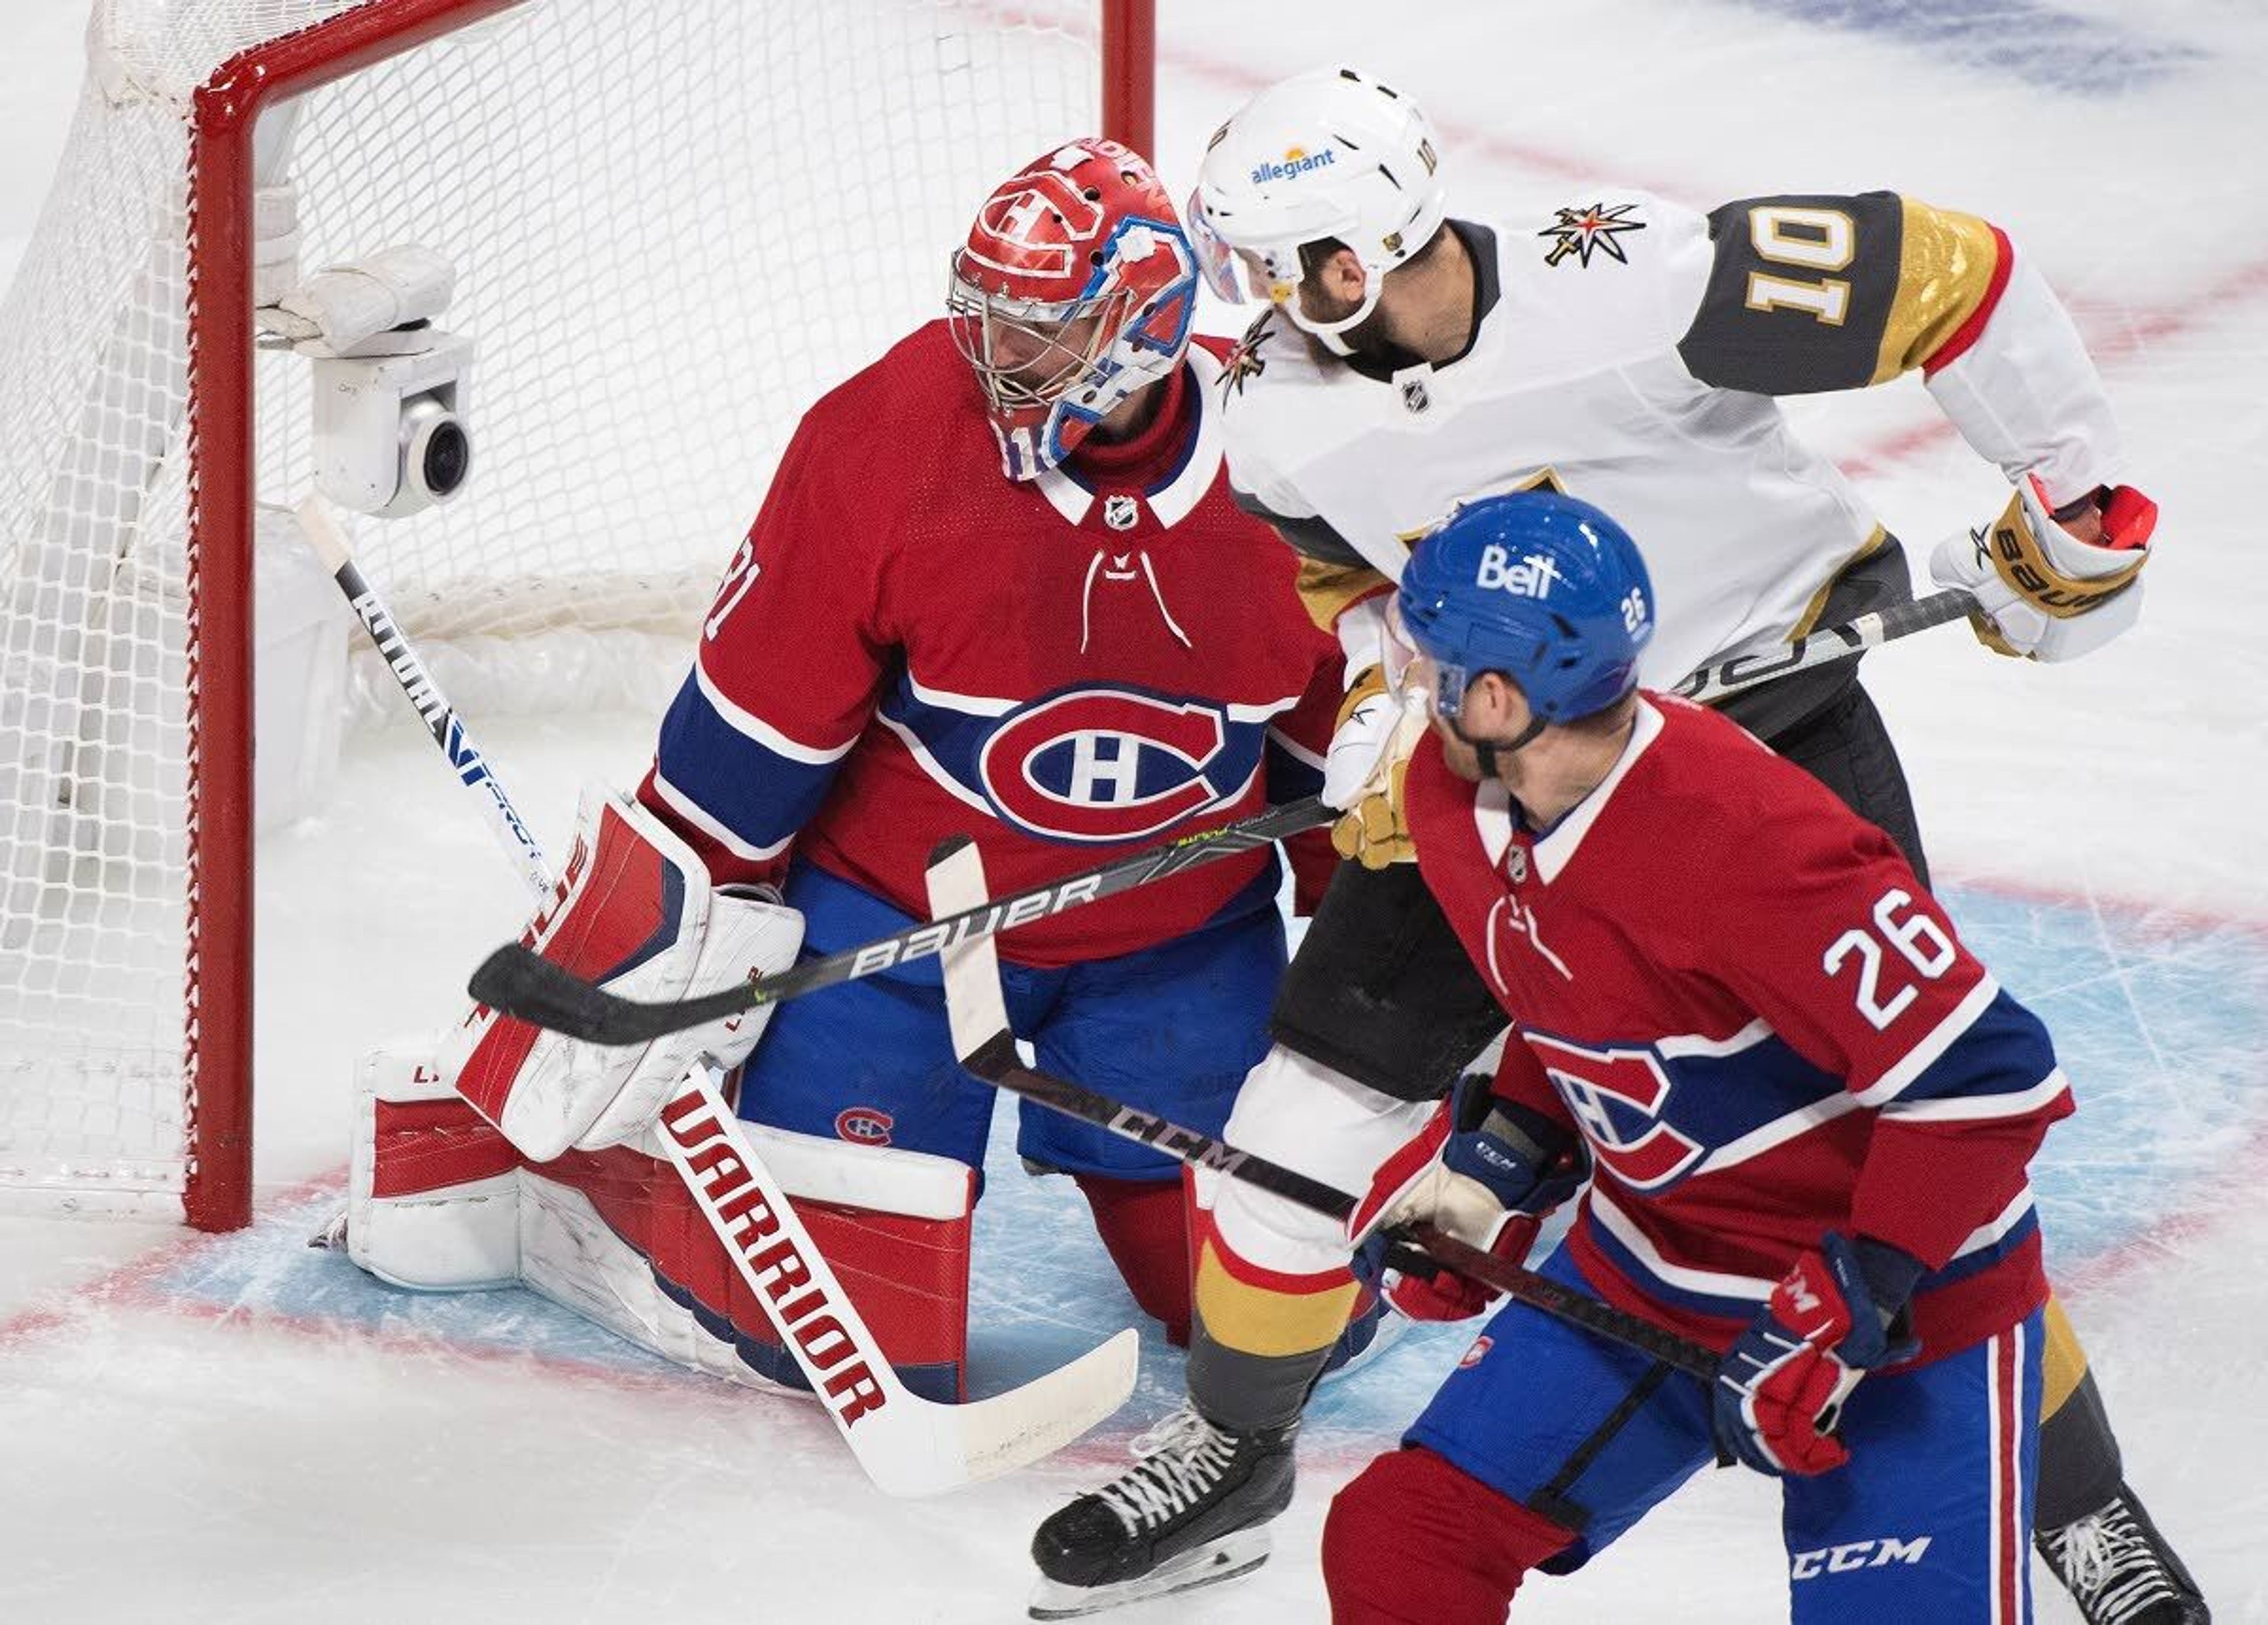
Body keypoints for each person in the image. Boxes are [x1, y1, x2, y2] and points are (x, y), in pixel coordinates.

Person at [1028, 66, 2201, 1625]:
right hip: (1492, 764)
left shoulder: (1644, 283)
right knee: (1295, 1131)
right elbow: (1344, 580)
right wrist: (1397, 687)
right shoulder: (1272, 416)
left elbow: (1962, 278)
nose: (1254, 309)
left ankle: (2076, 1503)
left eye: (1273, 269)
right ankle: (1238, 1447)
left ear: (1359, 250)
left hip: (1767, 759)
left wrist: (2070, 503)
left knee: (1894, 1162)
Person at [339, 138, 1367, 1405]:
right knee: (842, 1343)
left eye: (1038, 332)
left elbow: (1348, 756)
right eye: (985, 314)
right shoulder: (884, 438)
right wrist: (672, 932)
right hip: (903, 934)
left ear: (1145, 325)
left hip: (1177, 948)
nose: (994, 355)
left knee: (1273, 1322)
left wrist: (1371, 976)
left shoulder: (1301, 469)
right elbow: (750, 737)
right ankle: (584, 1186)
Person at [1323, 488, 2073, 1621]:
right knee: (1404, 1538)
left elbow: (1992, 1074)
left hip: (1904, 1310)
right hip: (1656, 1267)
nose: (1409, 683)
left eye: (1428, 661)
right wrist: (1502, 1161)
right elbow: (1578, 988)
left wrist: (1861, 1287)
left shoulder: (1756, 843)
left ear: (1498, 695)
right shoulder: (1450, 792)